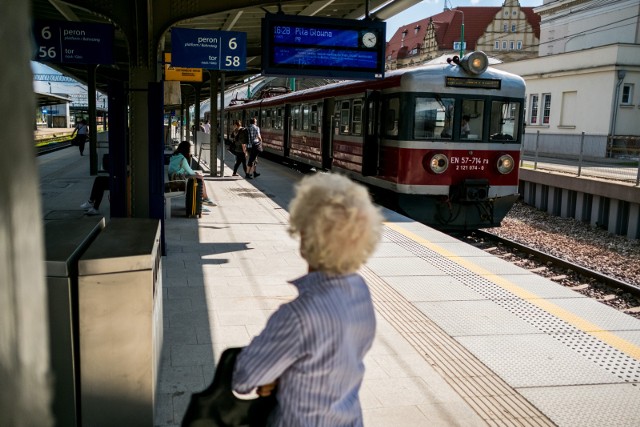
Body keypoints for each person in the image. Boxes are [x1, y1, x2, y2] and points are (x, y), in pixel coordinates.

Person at [232, 172, 383, 426]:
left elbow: (245, 377)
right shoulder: (360, 291)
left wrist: (274, 374)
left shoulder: (298, 315)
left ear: (305, 237)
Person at [168, 141, 216, 206]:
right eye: (189, 149)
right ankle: (205, 198)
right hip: (178, 181)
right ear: (186, 149)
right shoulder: (182, 159)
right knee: (200, 178)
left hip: (172, 179)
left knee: (196, 176)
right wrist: (196, 174)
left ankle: (203, 198)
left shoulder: (174, 156)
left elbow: (179, 169)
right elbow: (190, 172)